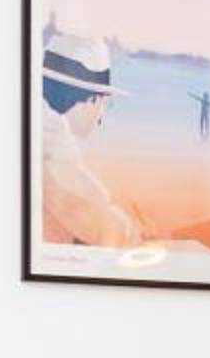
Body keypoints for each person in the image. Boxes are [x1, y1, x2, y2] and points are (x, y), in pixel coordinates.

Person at [37, 28, 148, 248]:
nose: (101, 114)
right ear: (91, 99)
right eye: (104, 102)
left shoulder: (38, 116)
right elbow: (90, 208)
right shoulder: (51, 132)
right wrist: (133, 234)